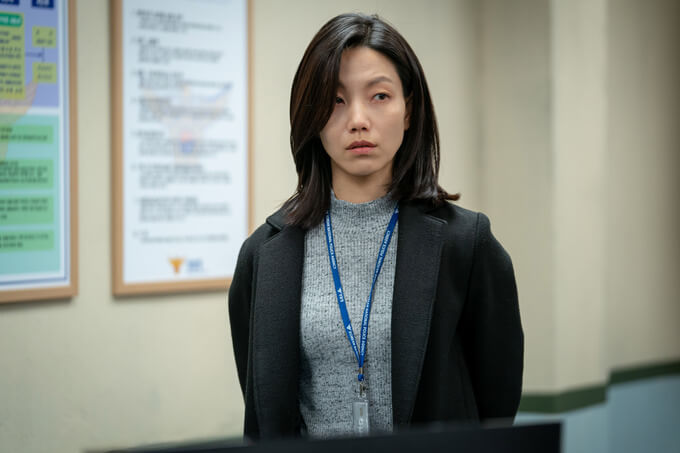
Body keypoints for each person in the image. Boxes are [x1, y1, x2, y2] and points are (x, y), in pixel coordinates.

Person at [228, 12, 523, 441]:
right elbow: (263, 406)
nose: (358, 119)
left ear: (409, 111)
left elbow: (496, 403)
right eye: (335, 100)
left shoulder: (465, 244)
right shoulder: (263, 255)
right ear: (311, 116)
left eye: (380, 96)